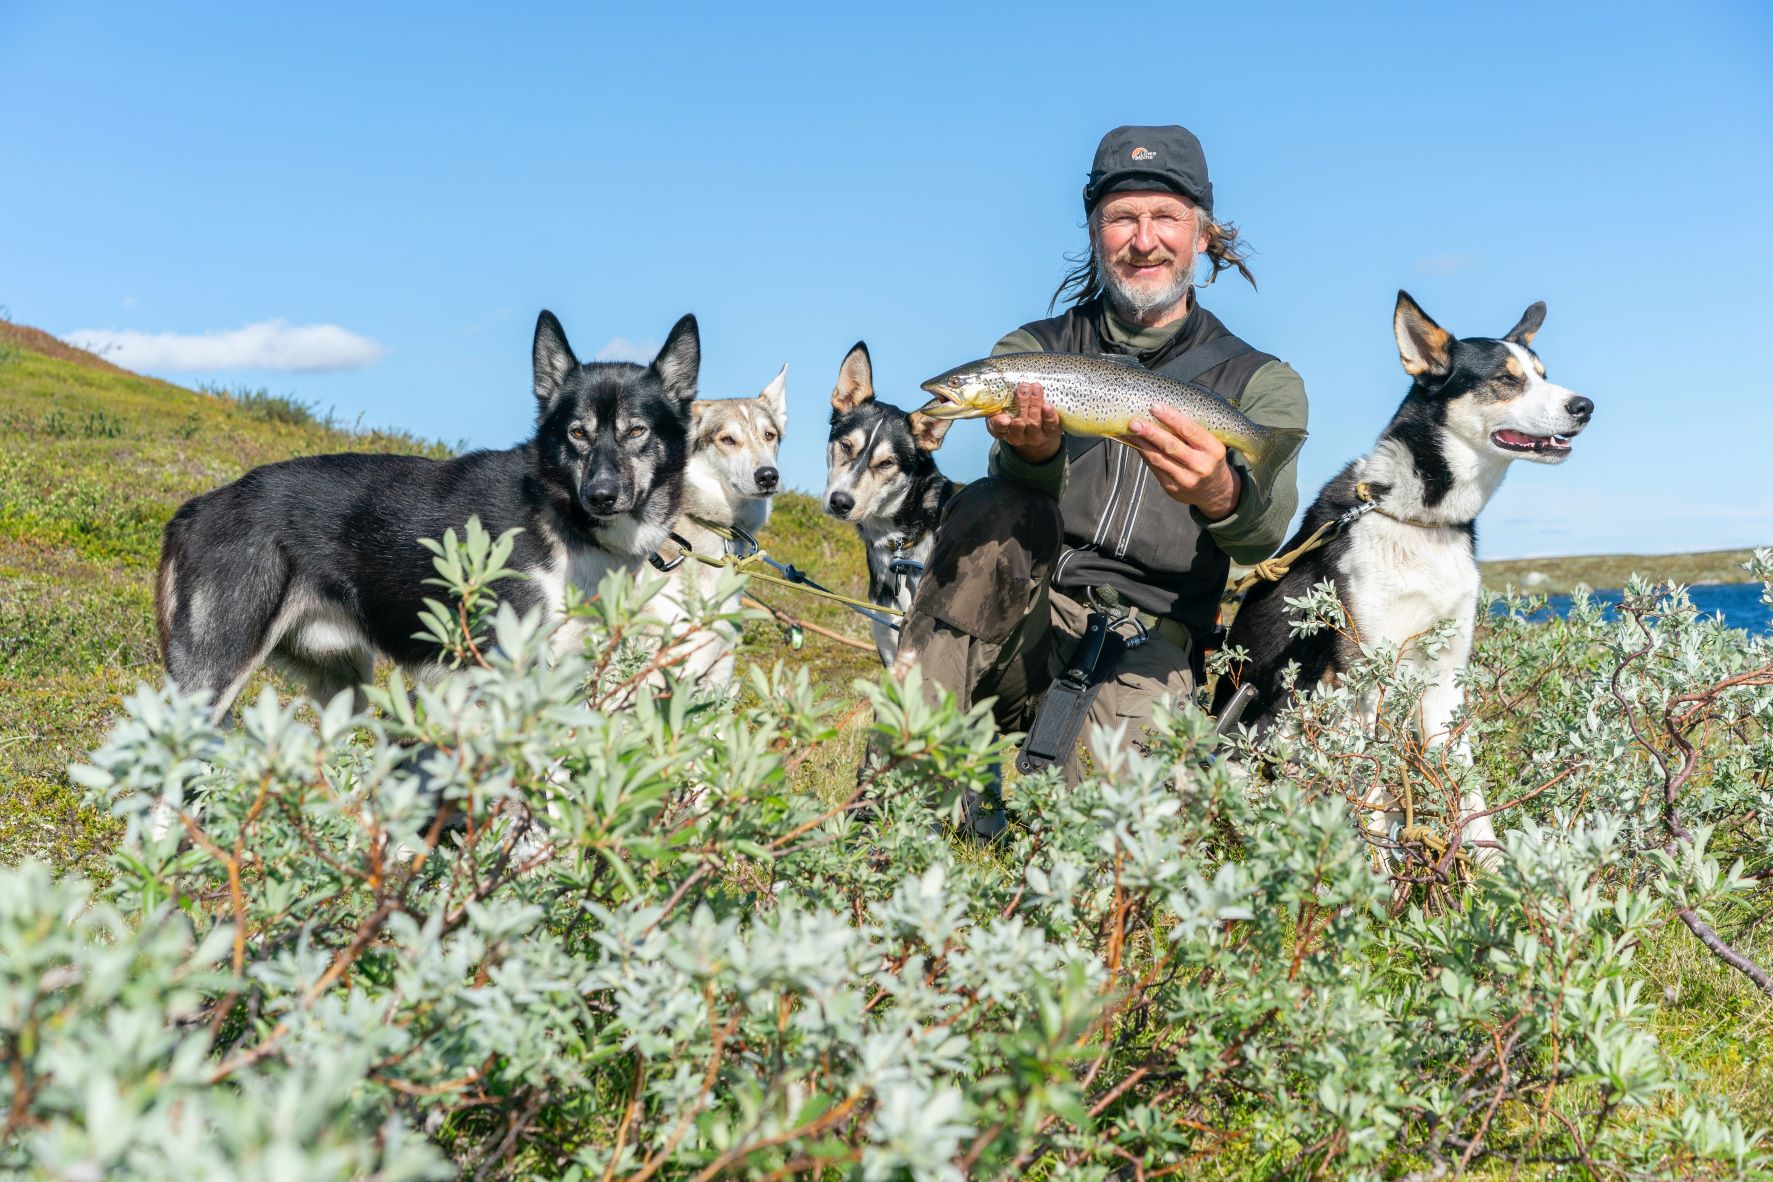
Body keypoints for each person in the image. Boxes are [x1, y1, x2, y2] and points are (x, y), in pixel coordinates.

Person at [892, 123, 1309, 796]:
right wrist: (1033, 460)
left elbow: (1262, 536)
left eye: (1164, 217)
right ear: (1093, 234)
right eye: (1121, 219)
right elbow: (1007, 521)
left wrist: (1218, 493)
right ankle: (892, 809)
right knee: (990, 502)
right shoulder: (1030, 351)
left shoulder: (1261, 383)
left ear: (1202, 234)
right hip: (1021, 619)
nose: (1143, 240)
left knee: (1101, 849)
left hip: (1149, 646)